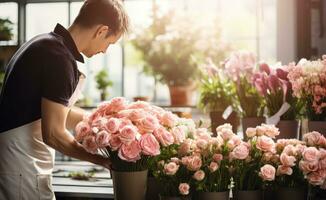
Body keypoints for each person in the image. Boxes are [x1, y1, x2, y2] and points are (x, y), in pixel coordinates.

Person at [0, 0, 129, 199]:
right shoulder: (58, 57)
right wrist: (100, 160)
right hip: (21, 163)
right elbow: (53, 133)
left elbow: (58, 112)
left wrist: (102, 121)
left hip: (21, 160)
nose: (105, 51)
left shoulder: (46, 44)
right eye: (109, 43)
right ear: (101, 31)